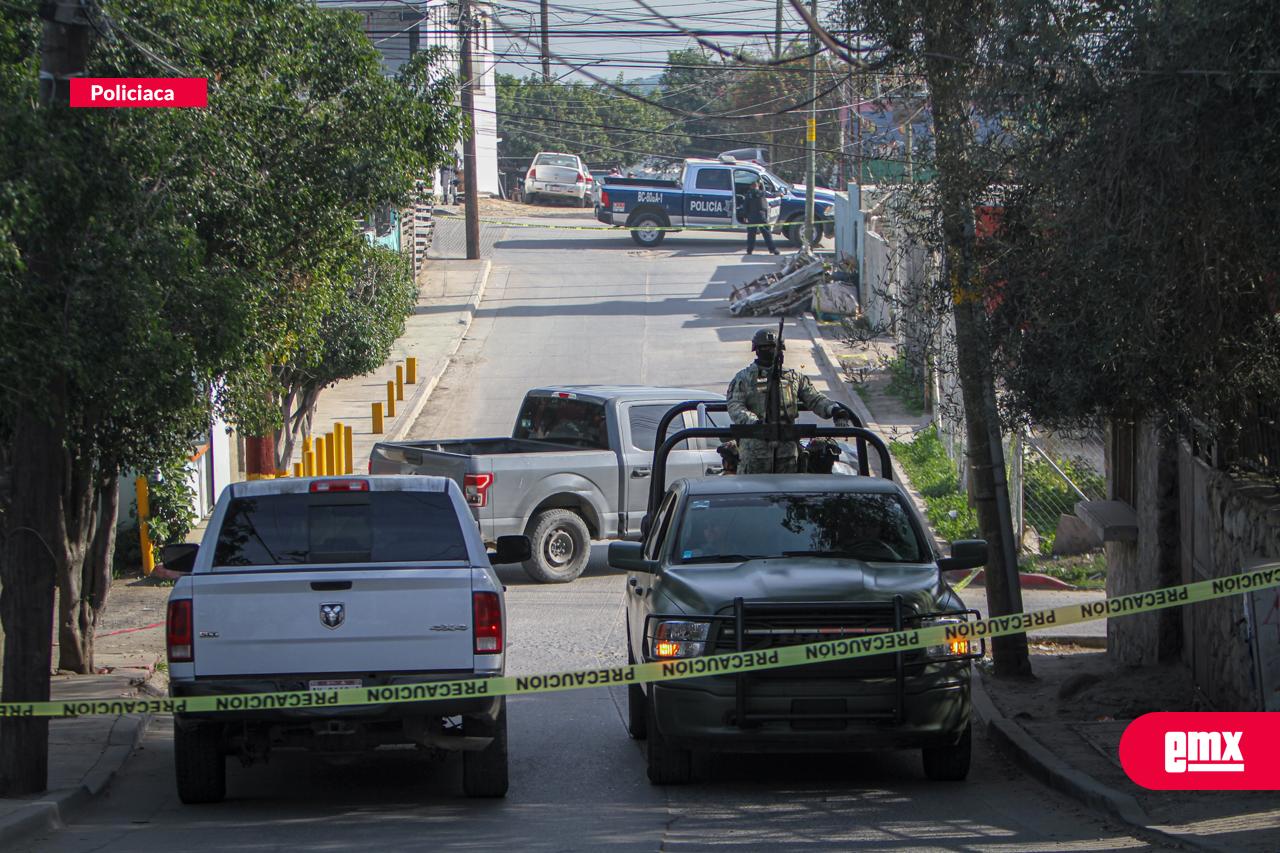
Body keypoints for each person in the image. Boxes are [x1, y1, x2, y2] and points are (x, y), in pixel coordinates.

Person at [727, 328, 855, 474]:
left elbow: (814, 398)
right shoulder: (744, 378)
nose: (770, 351)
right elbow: (735, 406)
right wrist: (755, 423)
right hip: (755, 454)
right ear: (756, 350)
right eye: (765, 348)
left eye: (774, 347)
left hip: (787, 454)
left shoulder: (793, 378)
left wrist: (834, 410)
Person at [741, 175, 779, 256]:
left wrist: (745, 216)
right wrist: (780, 194)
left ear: (751, 186)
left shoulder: (748, 195)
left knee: (751, 235)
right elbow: (772, 195)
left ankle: (749, 250)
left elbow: (745, 206)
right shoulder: (761, 193)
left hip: (752, 217)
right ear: (757, 186)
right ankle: (773, 249)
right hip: (761, 216)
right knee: (767, 234)